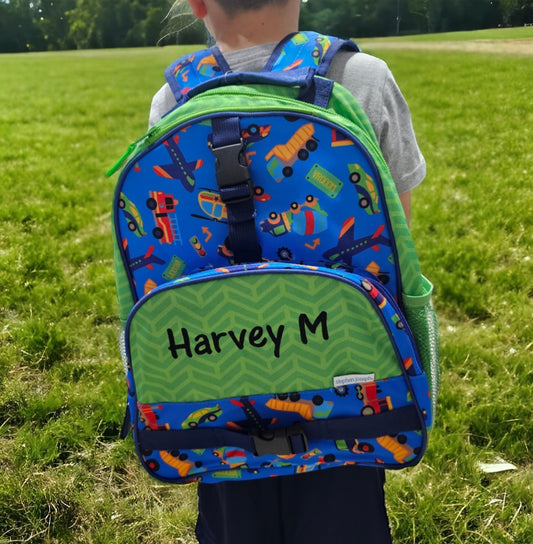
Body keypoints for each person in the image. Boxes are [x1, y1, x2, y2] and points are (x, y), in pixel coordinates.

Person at [148, 1, 426, 543]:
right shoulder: (360, 77)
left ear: (198, 4)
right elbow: (398, 247)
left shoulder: (174, 98)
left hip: (219, 381)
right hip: (350, 382)